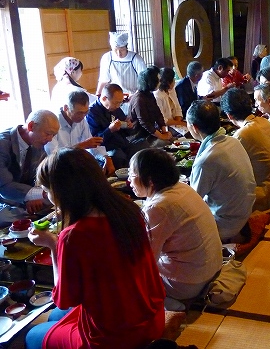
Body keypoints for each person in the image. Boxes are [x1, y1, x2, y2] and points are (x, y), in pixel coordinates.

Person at [25, 148, 165, 349]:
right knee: (55, 317)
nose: (47, 197)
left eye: (47, 191)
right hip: (151, 316)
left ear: (62, 191)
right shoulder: (129, 210)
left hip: (112, 337)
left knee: (33, 335)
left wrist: (53, 245)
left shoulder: (74, 235)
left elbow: (64, 299)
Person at [129, 148, 222, 311]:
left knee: (127, 277)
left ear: (150, 180)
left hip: (188, 282)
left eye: (132, 174)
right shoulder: (180, 188)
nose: (129, 180)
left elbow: (146, 258)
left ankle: (170, 305)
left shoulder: (158, 207)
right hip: (210, 267)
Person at [187, 100, 256, 243]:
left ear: (194, 127)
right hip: (245, 212)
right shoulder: (233, 141)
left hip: (226, 224)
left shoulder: (206, 160)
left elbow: (193, 201)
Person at [221, 88, 270, 214]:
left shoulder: (242, 134)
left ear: (229, 116)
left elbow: (229, 170)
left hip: (266, 200)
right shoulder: (264, 121)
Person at [0, 110, 58, 216]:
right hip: (6, 197)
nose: (50, 139)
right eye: (48, 134)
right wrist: (37, 194)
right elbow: (4, 186)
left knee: (58, 198)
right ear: (31, 126)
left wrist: (35, 195)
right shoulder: (2, 144)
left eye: (53, 135)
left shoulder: (38, 143)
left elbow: (42, 173)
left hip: (25, 194)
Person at [46, 90, 115, 175]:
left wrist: (106, 158)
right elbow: (54, 156)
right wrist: (82, 145)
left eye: (86, 112)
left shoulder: (81, 121)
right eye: (79, 113)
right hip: (58, 167)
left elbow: (91, 145)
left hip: (76, 162)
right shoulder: (53, 122)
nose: (83, 116)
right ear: (66, 108)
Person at [86, 83, 145, 169]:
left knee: (142, 146)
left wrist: (129, 126)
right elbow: (95, 141)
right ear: (104, 98)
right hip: (106, 149)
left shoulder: (115, 109)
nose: (118, 106)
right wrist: (110, 130)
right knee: (118, 156)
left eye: (120, 103)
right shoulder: (91, 113)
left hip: (122, 143)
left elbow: (127, 132)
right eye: (116, 103)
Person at [128, 67, 173, 147]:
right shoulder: (139, 99)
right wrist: (162, 136)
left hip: (150, 133)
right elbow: (145, 123)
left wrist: (165, 131)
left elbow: (158, 114)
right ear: (151, 82)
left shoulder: (149, 94)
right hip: (140, 136)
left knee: (172, 140)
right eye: (158, 80)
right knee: (166, 144)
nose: (160, 82)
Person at [95, 32, 147, 96]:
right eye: (115, 50)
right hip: (114, 95)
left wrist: (135, 96)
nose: (119, 53)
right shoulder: (107, 57)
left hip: (132, 94)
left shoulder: (136, 59)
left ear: (126, 47)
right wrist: (98, 93)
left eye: (122, 50)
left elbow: (143, 81)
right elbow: (104, 79)